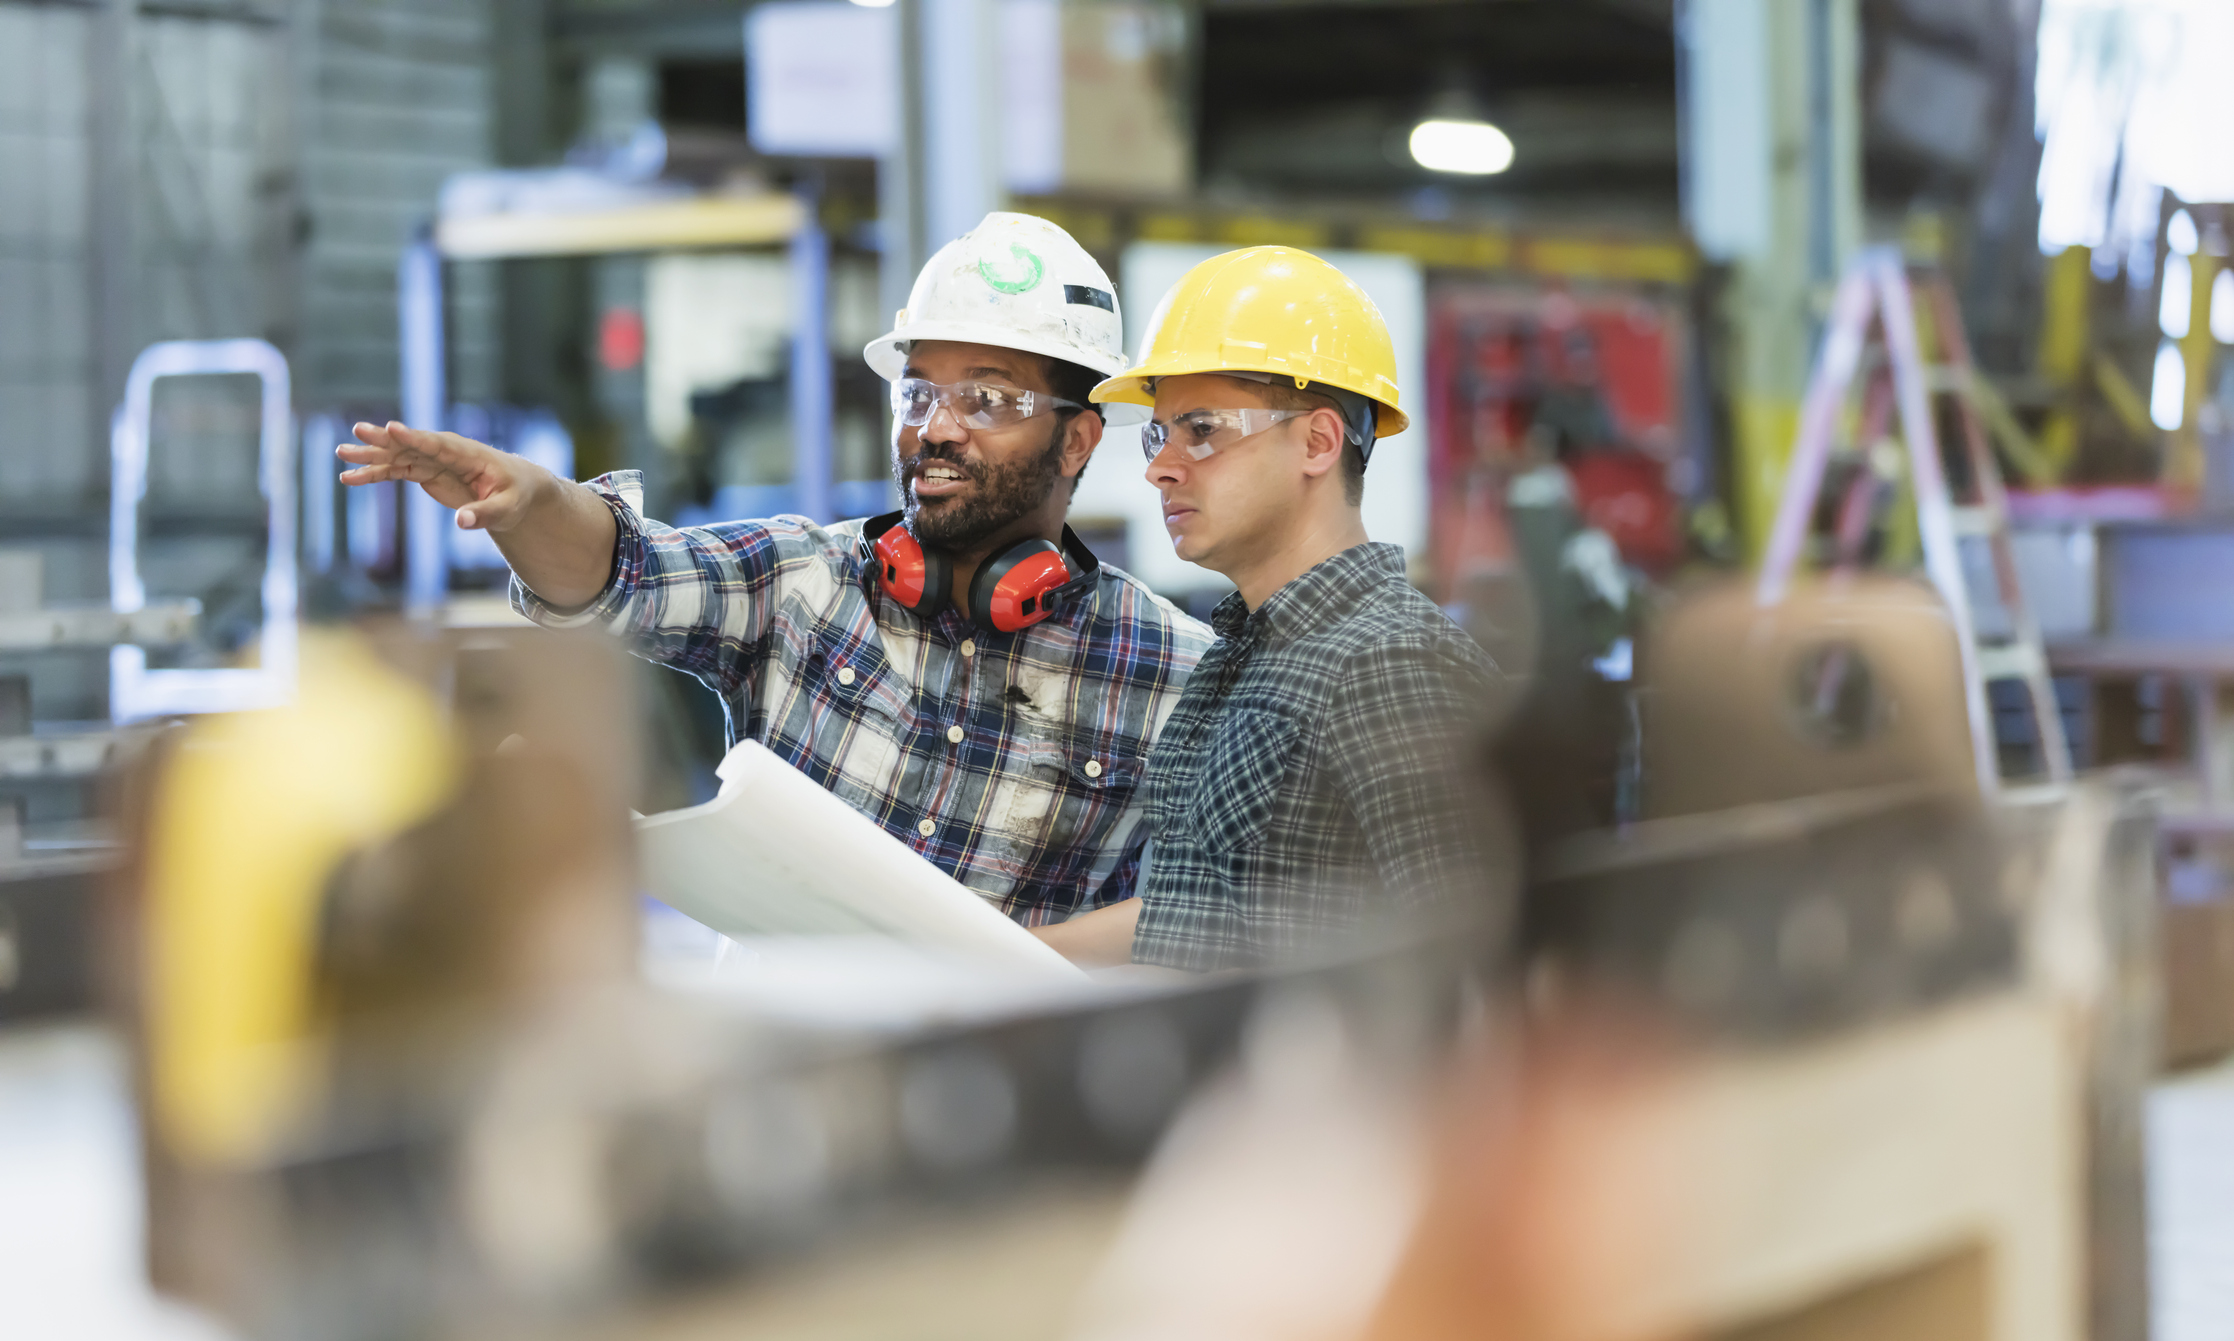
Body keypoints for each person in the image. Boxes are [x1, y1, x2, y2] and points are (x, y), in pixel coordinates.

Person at [337, 213, 1212, 925]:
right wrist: (530, 503)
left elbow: (1192, 923)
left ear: (1081, 436)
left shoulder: (1173, 673)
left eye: (985, 398)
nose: (936, 428)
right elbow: (621, 569)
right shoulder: (803, 581)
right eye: (918, 392)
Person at [1034, 246, 1510, 971]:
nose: (1160, 465)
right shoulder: (1240, 657)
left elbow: (1485, 954)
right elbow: (1194, 914)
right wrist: (989, 953)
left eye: (1202, 429)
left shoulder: (1390, 664)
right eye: (1161, 434)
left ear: (1317, 442)